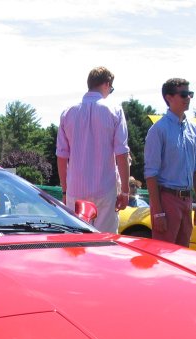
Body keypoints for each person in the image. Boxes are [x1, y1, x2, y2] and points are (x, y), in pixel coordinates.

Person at [56, 67, 130, 233]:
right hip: (105, 189)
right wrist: (125, 191)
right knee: (104, 245)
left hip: (75, 191)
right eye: (110, 89)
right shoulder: (115, 111)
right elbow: (122, 154)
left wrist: (65, 190)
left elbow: (61, 156)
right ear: (106, 84)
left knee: (76, 245)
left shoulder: (67, 113)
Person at [143, 77, 196, 246]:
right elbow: (151, 174)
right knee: (165, 254)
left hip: (187, 200)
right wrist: (158, 212)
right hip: (167, 199)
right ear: (169, 98)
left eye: (190, 94)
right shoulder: (158, 130)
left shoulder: (194, 128)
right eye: (184, 94)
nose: (188, 98)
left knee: (182, 255)